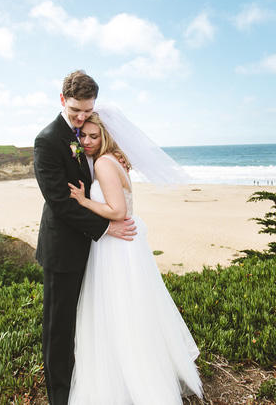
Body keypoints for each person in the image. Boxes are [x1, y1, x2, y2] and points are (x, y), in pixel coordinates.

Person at [66, 108, 203, 404]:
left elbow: (118, 212)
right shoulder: (116, 160)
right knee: (132, 307)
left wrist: (83, 200)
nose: (86, 141)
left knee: (117, 309)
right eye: (82, 135)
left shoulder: (103, 162)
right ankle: (140, 371)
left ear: (106, 136)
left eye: (93, 135)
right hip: (126, 245)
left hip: (115, 246)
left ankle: (126, 380)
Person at [33, 70, 136, 405]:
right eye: (75, 109)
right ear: (62, 100)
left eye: (86, 109)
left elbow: (97, 161)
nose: (81, 117)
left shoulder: (85, 133)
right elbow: (60, 202)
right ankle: (59, 397)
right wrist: (107, 228)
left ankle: (85, 382)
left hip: (90, 248)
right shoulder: (48, 140)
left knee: (86, 319)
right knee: (59, 326)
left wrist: (116, 157)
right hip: (63, 248)